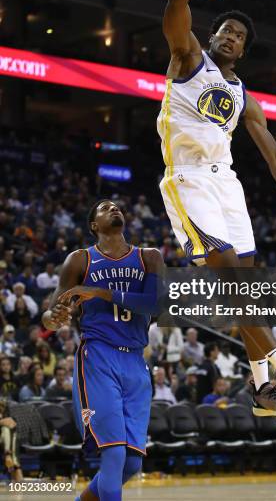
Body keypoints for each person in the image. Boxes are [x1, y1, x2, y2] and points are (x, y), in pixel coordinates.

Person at [157, 0, 276, 417]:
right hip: (189, 179)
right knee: (233, 281)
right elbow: (175, 13)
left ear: (244, 50)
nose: (232, 38)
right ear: (211, 34)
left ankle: (260, 389)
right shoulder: (188, 57)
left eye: (239, 37)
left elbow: (275, 157)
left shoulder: (244, 97)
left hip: (227, 185)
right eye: (227, 31)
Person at [42, 199, 163, 501]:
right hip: (99, 357)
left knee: (131, 462)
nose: (114, 208)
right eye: (105, 207)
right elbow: (50, 313)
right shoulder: (80, 260)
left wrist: (98, 292)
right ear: (94, 225)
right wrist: (54, 318)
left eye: (117, 206)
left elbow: (155, 305)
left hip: (136, 362)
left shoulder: (149, 257)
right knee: (113, 455)